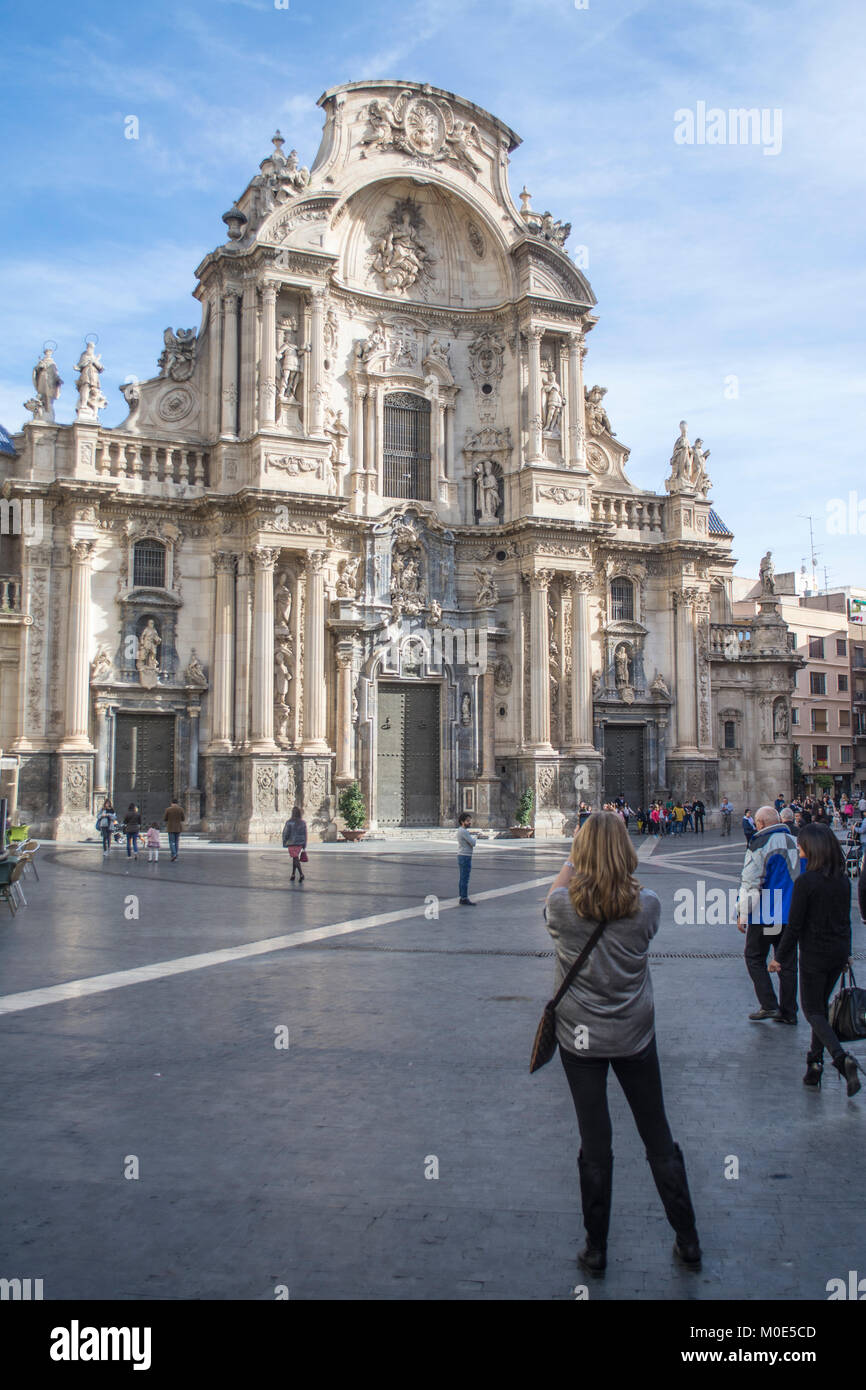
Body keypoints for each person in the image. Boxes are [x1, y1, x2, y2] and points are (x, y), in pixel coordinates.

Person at [544, 812, 701, 1276]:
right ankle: (688, 1239)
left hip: (580, 1041)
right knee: (657, 1136)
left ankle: (596, 1249)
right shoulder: (647, 905)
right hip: (635, 1035)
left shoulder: (562, 909)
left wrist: (574, 858)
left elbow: (554, 894)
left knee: (596, 1145)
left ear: (581, 852)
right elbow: (630, 905)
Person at [772, 824, 861, 1095]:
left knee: (812, 1011)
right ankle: (814, 1066)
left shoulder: (806, 882)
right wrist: (846, 954)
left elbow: (795, 925)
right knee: (820, 1007)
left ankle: (841, 1058)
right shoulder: (842, 880)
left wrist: (779, 957)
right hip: (836, 953)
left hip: (814, 955)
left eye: (801, 845)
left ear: (812, 848)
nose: (798, 848)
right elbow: (845, 922)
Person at [737, 806, 800, 1023]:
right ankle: (789, 1012)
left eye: (757, 822)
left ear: (761, 823)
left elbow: (751, 882)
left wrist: (743, 912)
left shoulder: (760, 843)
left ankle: (769, 1004)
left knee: (754, 957)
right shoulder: (795, 842)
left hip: (766, 915)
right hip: (791, 915)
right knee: (787, 963)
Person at [457, 810, 480, 906]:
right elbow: (473, 843)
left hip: (462, 855)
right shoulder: (463, 831)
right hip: (465, 856)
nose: (469, 822)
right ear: (462, 822)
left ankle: (462, 897)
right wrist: (474, 838)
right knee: (465, 878)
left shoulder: (461, 830)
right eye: (467, 821)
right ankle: (464, 898)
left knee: (463, 878)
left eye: (470, 820)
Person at [282, 806, 308, 882]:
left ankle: (301, 874)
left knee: (295, 858)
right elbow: (305, 834)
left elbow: (286, 833)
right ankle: (293, 874)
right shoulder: (303, 822)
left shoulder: (289, 822)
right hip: (299, 843)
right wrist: (304, 844)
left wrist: (284, 841)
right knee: (295, 858)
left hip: (291, 842)